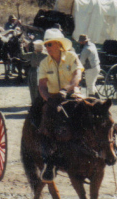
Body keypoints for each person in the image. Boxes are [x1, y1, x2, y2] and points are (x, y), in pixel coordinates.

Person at [36, 28, 84, 182]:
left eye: (49, 44)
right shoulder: (44, 63)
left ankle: (110, 149)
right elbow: (42, 85)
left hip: (71, 94)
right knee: (45, 125)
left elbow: (77, 75)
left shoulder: (71, 57)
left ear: (58, 44)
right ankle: (49, 163)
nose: (47, 47)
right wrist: (48, 99)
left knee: (91, 111)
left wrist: (67, 89)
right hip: (53, 97)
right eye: (46, 45)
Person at [21, 39, 47, 104]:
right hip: (42, 72)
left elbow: (23, 55)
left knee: (33, 89)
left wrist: (21, 47)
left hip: (33, 72)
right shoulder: (46, 55)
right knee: (42, 89)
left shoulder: (32, 54)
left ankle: (34, 103)